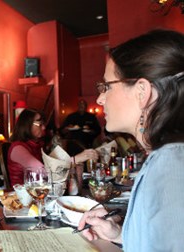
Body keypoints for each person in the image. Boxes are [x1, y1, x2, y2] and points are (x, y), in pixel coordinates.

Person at [78, 29, 184, 251]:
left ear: (141, 91)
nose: (99, 98)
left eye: (107, 86)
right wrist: (121, 234)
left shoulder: (171, 164)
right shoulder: (168, 155)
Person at [7, 108, 98, 187]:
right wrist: (76, 159)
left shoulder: (37, 144)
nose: (43, 128)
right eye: (40, 124)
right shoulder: (18, 148)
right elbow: (45, 172)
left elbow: (52, 164)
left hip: (39, 193)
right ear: (27, 125)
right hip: (22, 199)